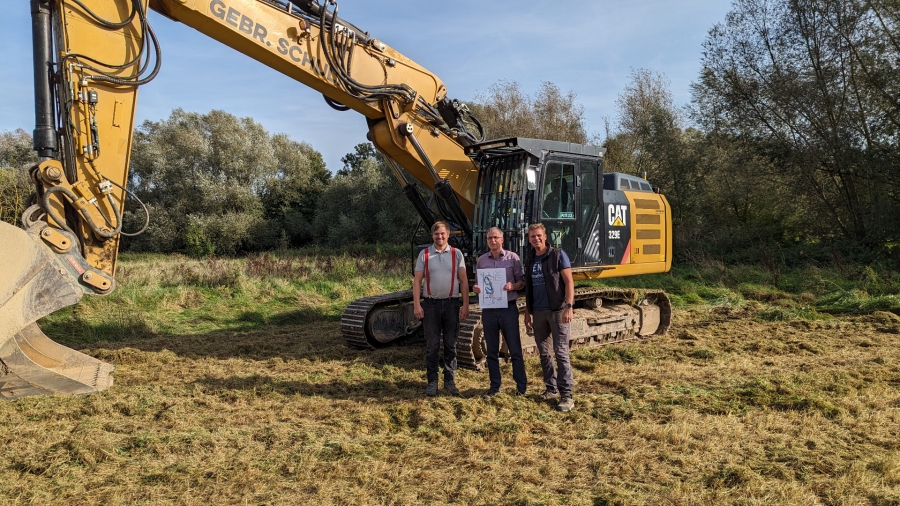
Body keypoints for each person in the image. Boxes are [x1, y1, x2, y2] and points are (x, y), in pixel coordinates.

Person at [523, 222, 576, 412]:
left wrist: (569, 306)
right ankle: (551, 388)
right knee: (544, 353)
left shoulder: (557, 255)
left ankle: (566, 395)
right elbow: (529, 288)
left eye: (539, 235)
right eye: (532, 236)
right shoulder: (530, 259)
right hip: (538, 312)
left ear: (545, 236)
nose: (536, 239)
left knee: (560, 352)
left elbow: (569, 282)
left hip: (557, 311)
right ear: (529, 239)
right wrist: (528, 312)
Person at [412, 221, 469, 397]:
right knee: (433, 345)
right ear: (432, 236)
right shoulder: (425, 254)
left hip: (451, 304)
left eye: (443, 234)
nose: (440, 237)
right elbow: (417, 281)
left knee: (451, 344)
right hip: (431, 305)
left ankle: (450, 381)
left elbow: (464, 281)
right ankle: (432, 382)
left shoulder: (456, 254)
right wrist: (417, 304)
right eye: (437, 234)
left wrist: (465, 304)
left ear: (448, 234)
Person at [472, 227, 527, 398]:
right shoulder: (482, 261)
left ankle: (521, 386)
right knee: (492, 350)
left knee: (515, 349)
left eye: (495, 237)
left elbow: (522, 282)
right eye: (489, 238)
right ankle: (495, 386)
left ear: (502, 240)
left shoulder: (513, 258)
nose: (492, 241)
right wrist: (476, 288)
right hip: (489, 310)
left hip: (508, 308)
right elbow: (478, 283)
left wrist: (513, 286)